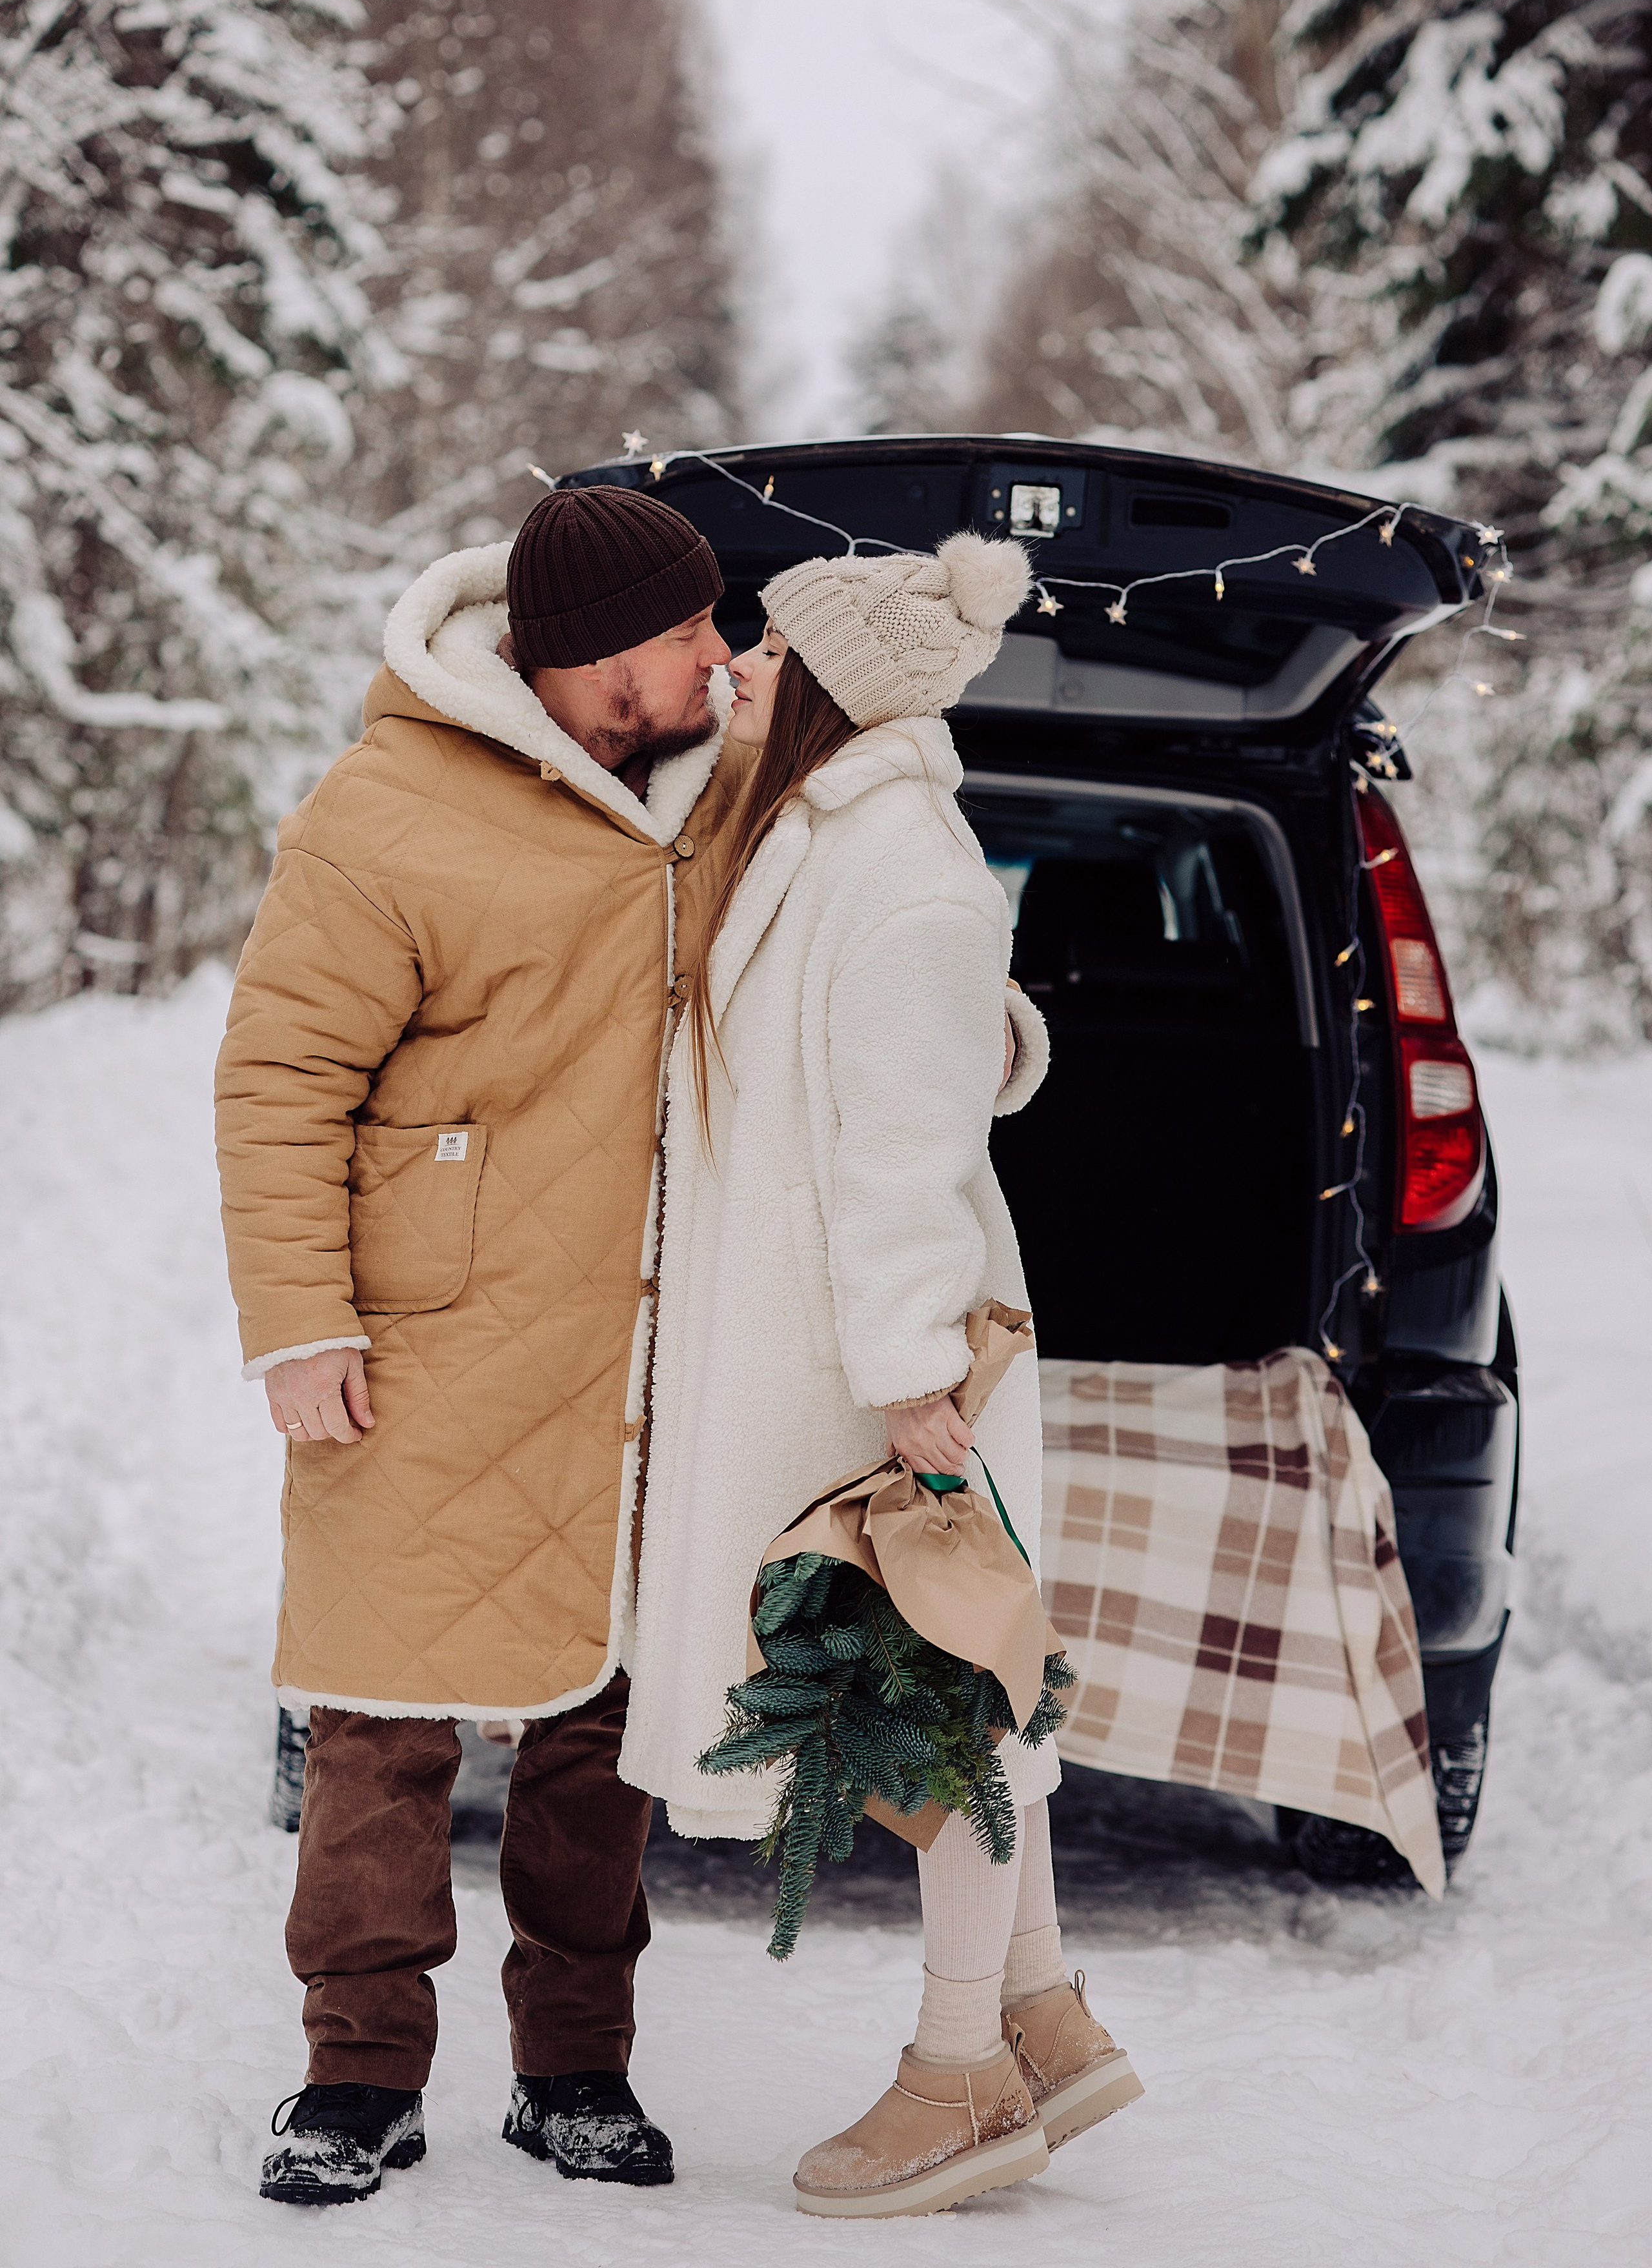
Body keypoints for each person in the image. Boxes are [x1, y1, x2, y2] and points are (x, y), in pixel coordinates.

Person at [215, 483, 754, 2205]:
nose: (722, 655)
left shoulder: (734, 786)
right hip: (430, 1335)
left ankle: (575, 2066)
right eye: (692, 631)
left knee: (604, 1714)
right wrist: (300, 1321)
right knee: (383, 1712)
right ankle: (356, 2076)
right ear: (598, 656)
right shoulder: (385, 811)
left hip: (655, 1342)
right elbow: (282, 1078)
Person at [620, 533, 1145, 2219]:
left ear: (834, 690)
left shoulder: (901, 865)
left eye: (774, 648)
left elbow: (906, 1153)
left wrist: (918, 1382)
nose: (742, 664)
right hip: (829, 1340)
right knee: (958, 1680)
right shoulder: (818, 825)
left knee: (944, 1703)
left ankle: (960, 2072)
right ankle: (1044, 2016)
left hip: (882, 1360)